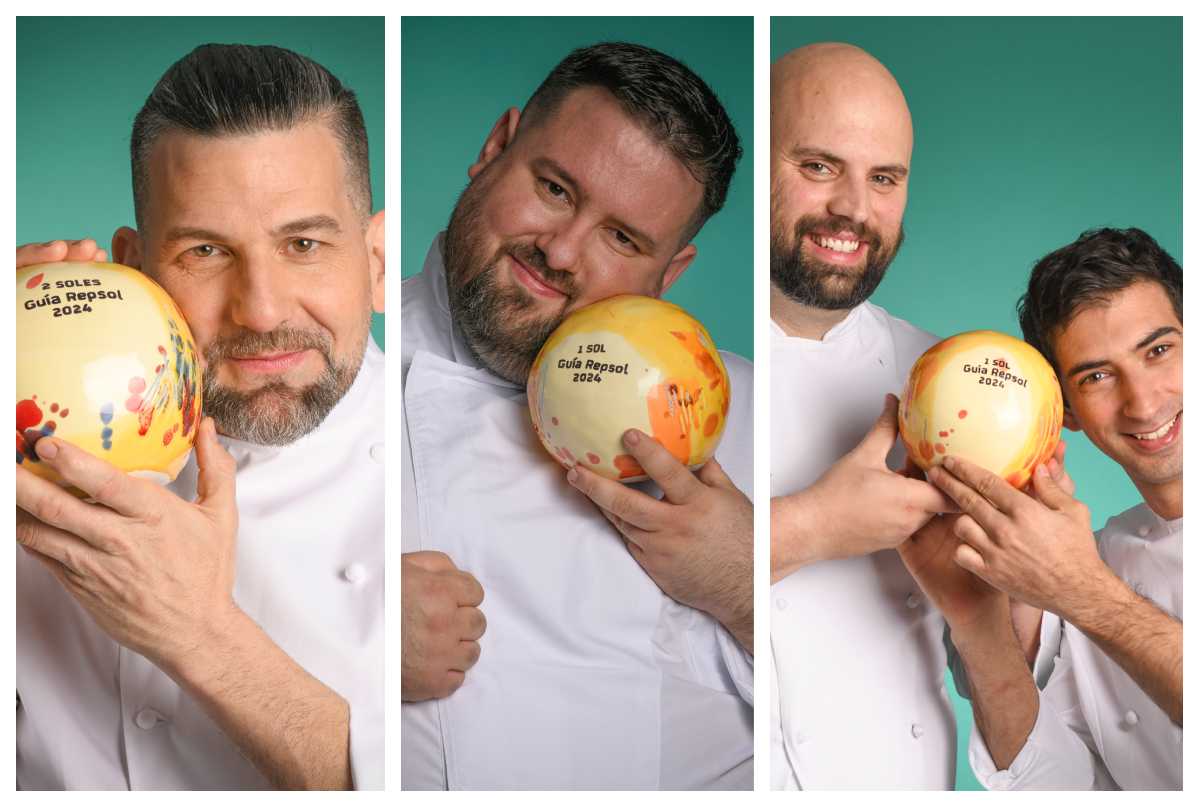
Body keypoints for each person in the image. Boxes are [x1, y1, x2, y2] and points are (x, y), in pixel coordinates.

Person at [15, 44, 385, 790]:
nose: (263, 310)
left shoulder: (449, 461)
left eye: (304, 244)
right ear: (133, 266)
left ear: (376, 260)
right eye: (207, 251)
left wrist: (199, 634)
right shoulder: (35, 428)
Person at [401, 42, 754, 789]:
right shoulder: (324, 357)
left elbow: (862, 722)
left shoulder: (745, 419)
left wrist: (744, 589)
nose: (560, 252)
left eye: (621, 238)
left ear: (669, 275)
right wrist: (348, 629)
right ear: (494, 148)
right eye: (556, 189)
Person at [767, 43, 1062, 789]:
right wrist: (811, 525)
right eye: (817, 166)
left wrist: (1016, 576)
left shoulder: (958, 383)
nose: (853, 210)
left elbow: (1033, 720)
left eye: (884, 178)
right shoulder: (674, 376)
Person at [902, 227, 1182, 789]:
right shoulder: (1090, 559)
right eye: (1097, 376)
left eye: (1158, 350)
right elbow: (1059, 786)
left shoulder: (1081, 578)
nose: (1144, 401)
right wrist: (975, 617)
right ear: (1067, 412)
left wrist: (1084, 593)